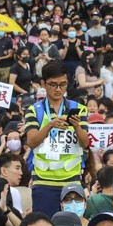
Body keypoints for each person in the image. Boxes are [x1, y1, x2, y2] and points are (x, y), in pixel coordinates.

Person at [22, 61, 91, 216]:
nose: (58, 89)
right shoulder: (34, 110)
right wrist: (50, 125)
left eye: (63, 84)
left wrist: (77, 126)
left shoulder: (79, 109)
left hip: (71, 180)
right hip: (43, 180)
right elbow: (31, 142)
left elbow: (85, 143)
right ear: (43, 84)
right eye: (53, 84)